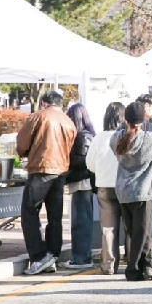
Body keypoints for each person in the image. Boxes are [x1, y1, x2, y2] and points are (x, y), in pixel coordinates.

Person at [111, 102, 152, 281]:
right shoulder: (149, 138)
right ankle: (134, 269)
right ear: (142, 121)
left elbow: (116, 133)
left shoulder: (117, 139)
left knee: (135, 232)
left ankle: (148, 266)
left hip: (123, 191)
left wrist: (126, 123)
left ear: (126, 119)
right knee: (143, 232)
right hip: (143, 190)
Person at [16, 91, 77, 275]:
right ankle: (52, 254)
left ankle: (39, 256)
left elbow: (22, 144)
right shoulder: (69, 121)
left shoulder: (38, 117)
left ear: (44, 103)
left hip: (41, 168)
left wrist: (25, 154)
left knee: (29, 212)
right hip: (61, 170)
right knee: (55, 215)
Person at [86, 102, 125, 275]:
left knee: (108, 228)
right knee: (130, 226)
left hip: (104, 186)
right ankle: (132, 260)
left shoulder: (98, 138)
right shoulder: (126, 136)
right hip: (125, 186)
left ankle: (109, 265)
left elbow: (90, 165)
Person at [59, 104, 96, 270]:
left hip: (82, 182)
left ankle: (81, 258)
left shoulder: (83, 137)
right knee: (80, 221)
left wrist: (65, 171)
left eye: (70, 117)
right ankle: (81, 256)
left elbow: (82, 162)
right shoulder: (86, 135)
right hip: (82, 182)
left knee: (80, 222)